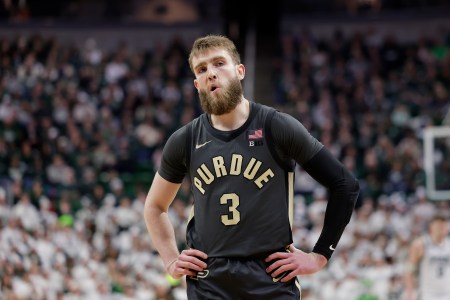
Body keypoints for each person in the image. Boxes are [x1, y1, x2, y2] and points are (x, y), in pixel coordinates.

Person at [144, 34, 360, 299]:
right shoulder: (184, 140)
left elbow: (345, 184)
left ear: (240, 71)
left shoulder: (276, 126)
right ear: (196, 83)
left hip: (270, 277)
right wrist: (170, 260)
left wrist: (320, 255)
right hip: (208, 280)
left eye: (219, 63)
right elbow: (155, 207)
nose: (211, 73)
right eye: (202, 69)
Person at [404, 212, 450, 300]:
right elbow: (409, 270)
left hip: (447, 293)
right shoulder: (420, 244)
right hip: (428, 294)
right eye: (439, 226)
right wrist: (410, 293)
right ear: (431, 227)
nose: (442, 229)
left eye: (444, 226)